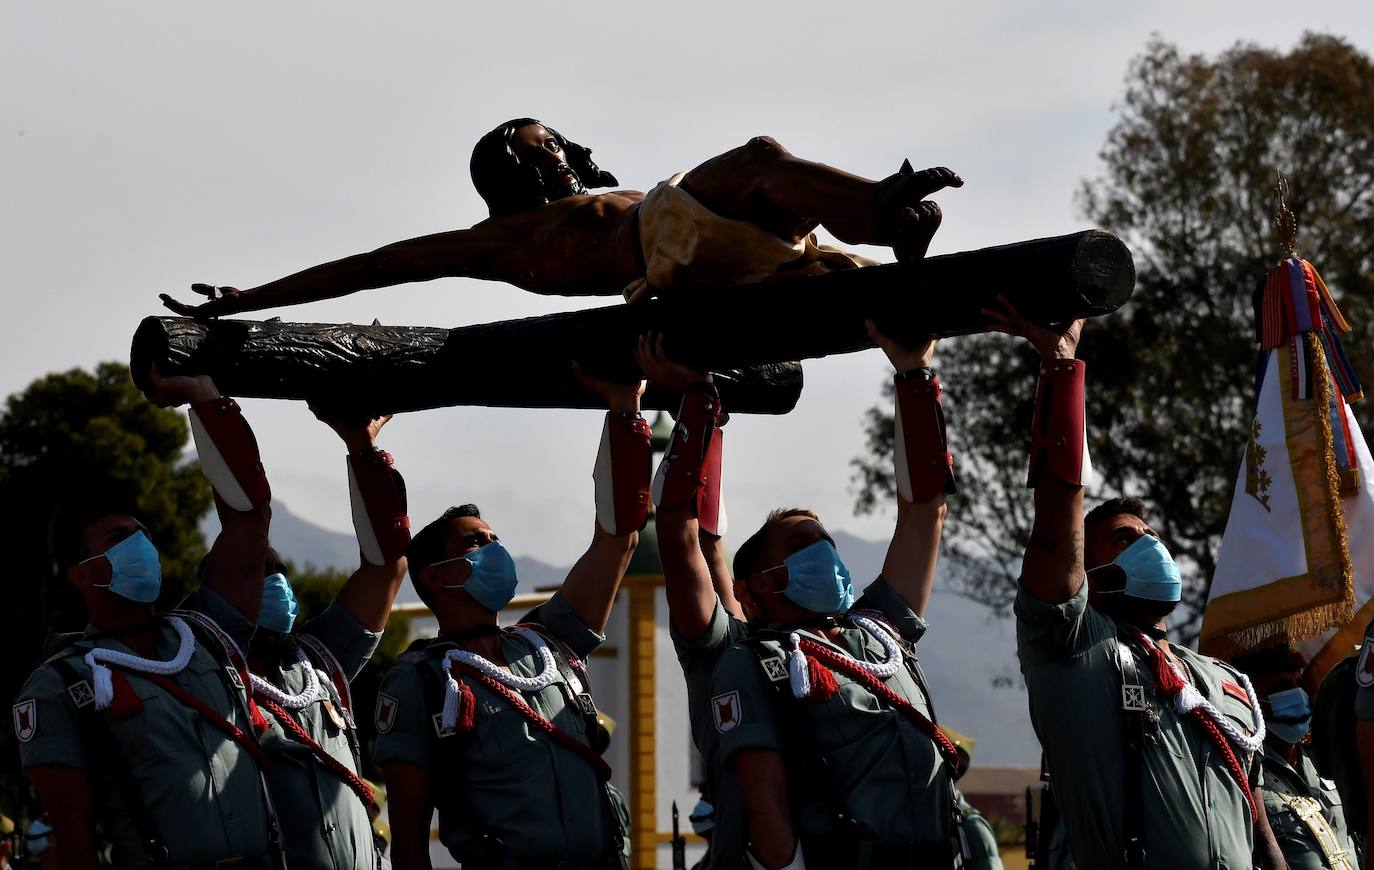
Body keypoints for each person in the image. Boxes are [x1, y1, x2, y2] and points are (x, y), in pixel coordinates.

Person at [642, 314, 960, 869]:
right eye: (803, 543)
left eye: (826, 541)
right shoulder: (737, 655)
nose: (826, 554)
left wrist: (914, 374)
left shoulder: (880, 632)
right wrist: (698, 402)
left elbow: (925, 512)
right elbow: (683, 531)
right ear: (759, 583)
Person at [996, 297, 1288, 869]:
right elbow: (1057, 517)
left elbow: (1257, 828)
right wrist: (1061, 368)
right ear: (1090, 572)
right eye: (1127, 539)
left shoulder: (1225, 682)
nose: (1153, 545)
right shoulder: (1071, 644)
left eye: (1152, 533)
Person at [158, 117, 962, 315]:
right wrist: (245, 303)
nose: (565, 152)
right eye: (545, 145)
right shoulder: (505, 240)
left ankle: (883, 222)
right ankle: (881, 211)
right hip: (664, 248)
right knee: (757, 159)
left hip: (728, 254)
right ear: (514, 164)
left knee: (775, 190)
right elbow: (374, 267)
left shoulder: (589, 196)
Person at [372, 366, 650, 869]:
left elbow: (620, 539)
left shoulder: (551, 641)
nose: (495, 549)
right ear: (435, 577)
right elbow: (409, 838)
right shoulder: (421, 682)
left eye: (495, 538)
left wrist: (625, 410)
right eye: (476, 542)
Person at [13, 369, 280, 868]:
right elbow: (72, 842)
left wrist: (206, 399)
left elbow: (249, 519)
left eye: (144, 535)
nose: (143, 547)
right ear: (80, 575)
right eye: (120, 540)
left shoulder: (207, 636)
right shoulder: (57, 685)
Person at [240, 407, 410, 870]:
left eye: (279, 574)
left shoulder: (319, 658)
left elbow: (387, 567)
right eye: (258, 577)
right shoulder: (205, 675)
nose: (277, 586)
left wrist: (363, 450)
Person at [1233, 646, 1358, 869]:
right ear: (1252, 700)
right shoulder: (1245, 772)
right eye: (1282, 687)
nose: (1297, 695)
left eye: (1298, 685)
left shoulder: (1322, 760)